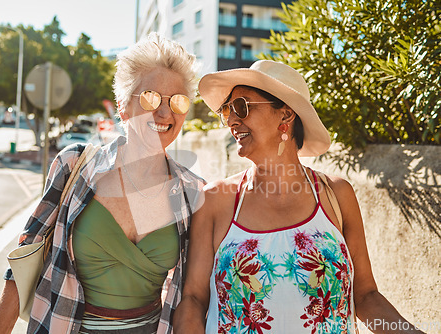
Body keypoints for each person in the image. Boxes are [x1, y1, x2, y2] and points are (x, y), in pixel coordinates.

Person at [173, 60, 424, 333]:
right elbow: (194, 300)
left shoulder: (337, 196)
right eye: (227, 110)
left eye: (242, 107)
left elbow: (365, 297)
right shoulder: (214, 201)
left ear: (286, 115)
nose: (232, 120)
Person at [0, 32, 205, 334]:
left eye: (178, 101)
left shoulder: (192, 190)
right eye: (150, 97)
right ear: (122, 106)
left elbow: (196, 295)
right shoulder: (74, 165)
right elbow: (24, 261)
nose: (165, 112)